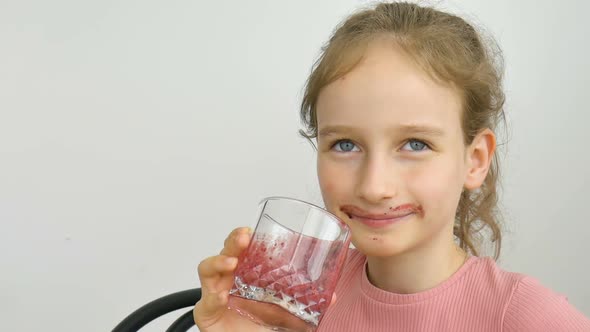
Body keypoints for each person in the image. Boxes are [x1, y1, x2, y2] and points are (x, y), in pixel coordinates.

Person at [193, 2, 590, 331]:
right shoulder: (296, 295)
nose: (374, 186)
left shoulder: (525, 317)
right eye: (345, 144)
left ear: (475, 160)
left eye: (415, 144)